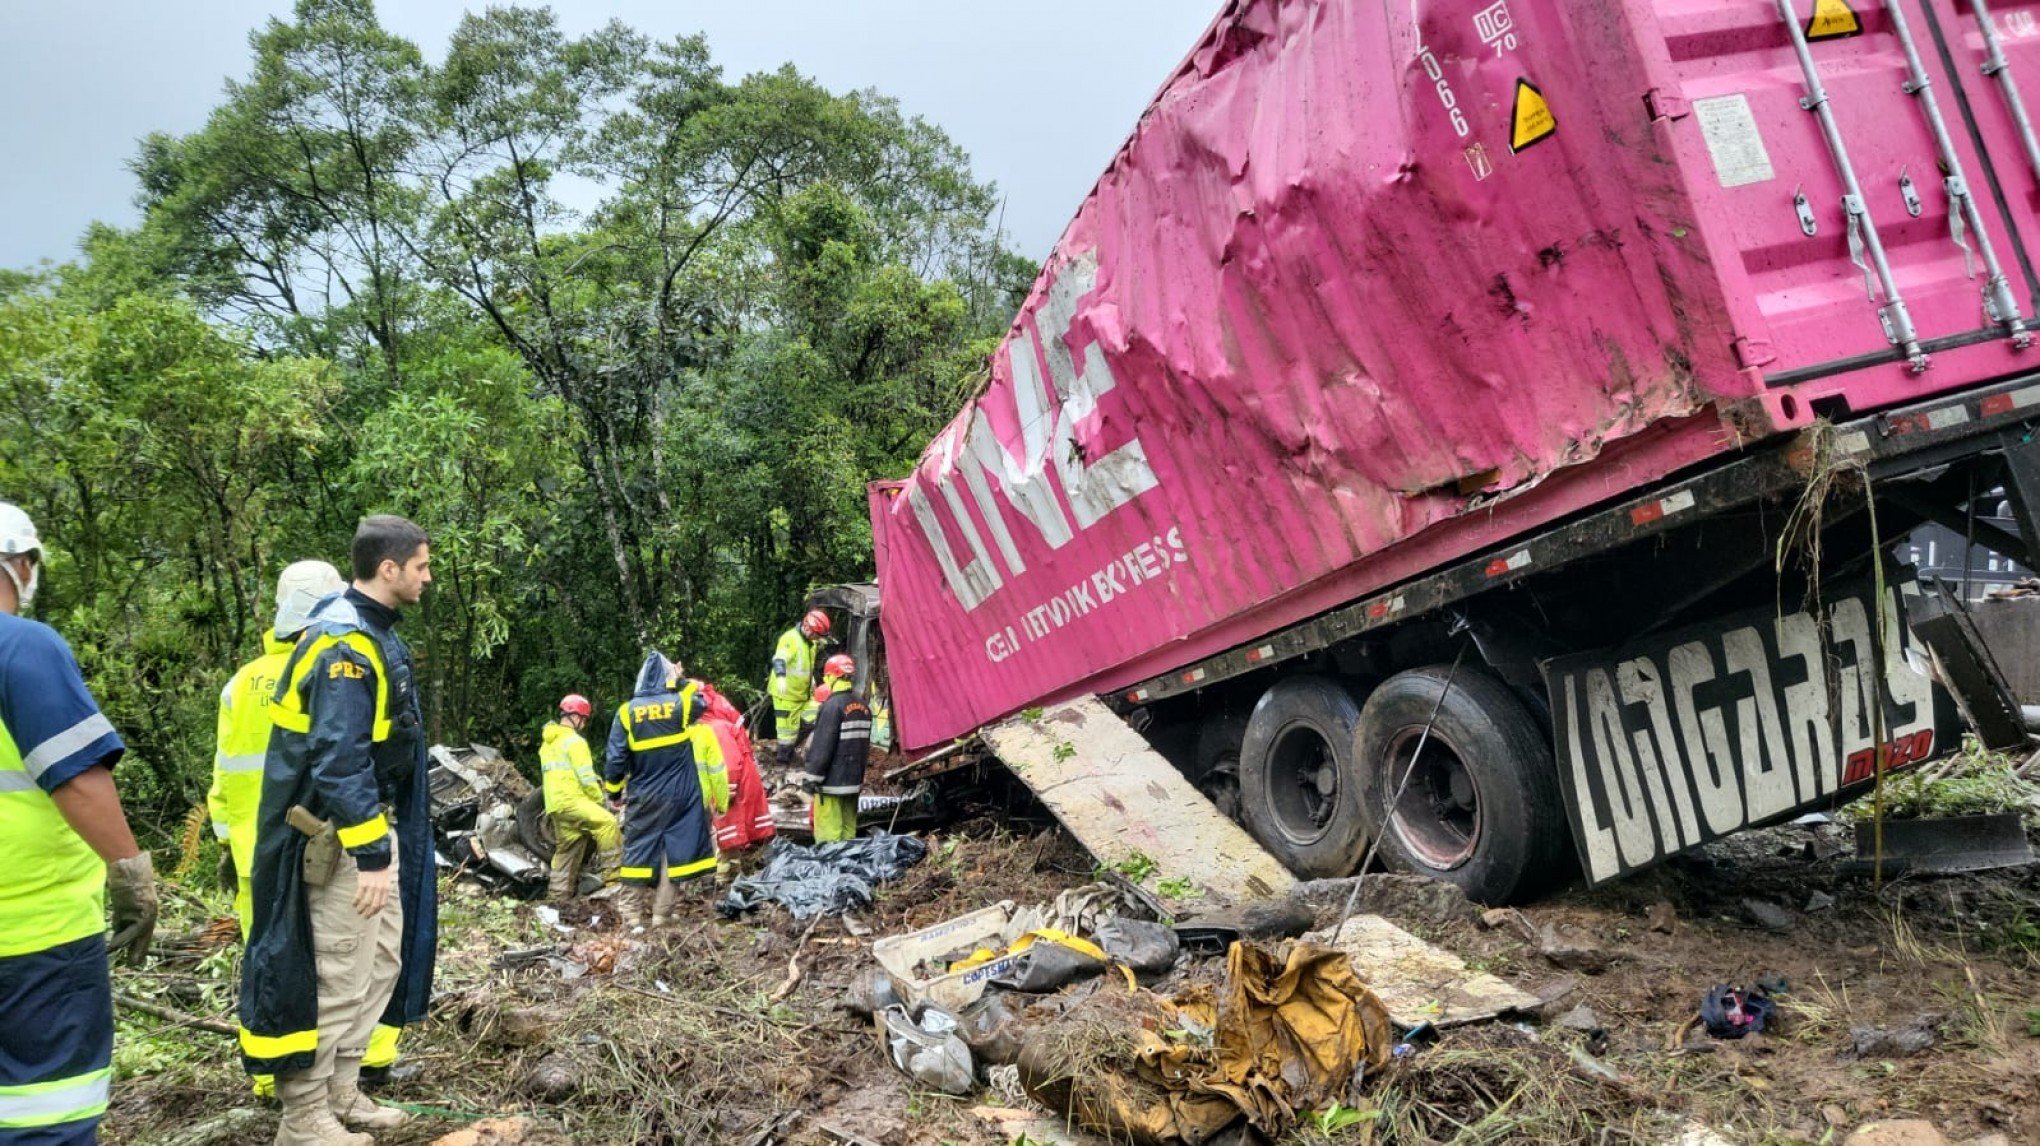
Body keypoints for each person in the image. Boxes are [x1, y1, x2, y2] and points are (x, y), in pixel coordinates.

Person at [239, 515, 439, 1146]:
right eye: (422, 566)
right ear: (389, 569)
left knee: (377, 964)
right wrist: (374, 854)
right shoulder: (343, 648)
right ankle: (305, 1118)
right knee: (335, 969)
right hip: (340, 843)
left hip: (374, 832)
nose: (428, 578)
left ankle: (344, 1092)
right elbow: (338, 758)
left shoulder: (373, 634)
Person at [0, 501, 157, 1144]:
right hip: (33, 935)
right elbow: (78, 778)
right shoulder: (22, 648)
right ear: (21, 565)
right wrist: (132, 874)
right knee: (47, 1112)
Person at [211, 561, 346, 936]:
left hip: (251, 849)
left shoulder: (240, 683)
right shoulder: (333, 668)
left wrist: (225, 839)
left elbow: (223, 772)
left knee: (263, 960)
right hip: (317, 850)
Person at [604, 653, 728, 927]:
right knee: (676, 851)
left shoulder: (626, 712)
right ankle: (662, 915)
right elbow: (701, 702)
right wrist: (680, 680)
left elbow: (615, 758)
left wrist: (613, 792)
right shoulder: (678, 704)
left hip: (645, 794)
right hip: (682, 795)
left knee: (637, 849)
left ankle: (631, 915)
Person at [540, 694, 620, 901]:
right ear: (575, 717)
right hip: (573, 800)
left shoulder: (548, 743)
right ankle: (615, 878)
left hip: (555, 805)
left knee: (568, 847)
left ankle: (557, 898)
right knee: (608, 824)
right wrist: (599, 800)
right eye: (583, 719)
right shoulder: (575, 742)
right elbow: (586, 778)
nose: (583, 724)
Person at [695, 678, 774, 881]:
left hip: (730, 785)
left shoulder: (714, 728)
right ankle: (732, 874)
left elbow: (728, 763)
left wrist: (725, 788)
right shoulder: (718, 722)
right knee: (731, 835)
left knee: (727, 834)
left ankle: (724, 879)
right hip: (734, 782)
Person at [799, 654, 872, 844]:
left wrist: (811, 780)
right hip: (853, 784)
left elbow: (822, 747)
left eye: (826, 676)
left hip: (831, 786)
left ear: (833, 676)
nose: (825, 679)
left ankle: (831, 872)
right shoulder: (864, 707)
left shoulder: (831, 707)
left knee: (829, 839)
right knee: (849, 836)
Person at [766, 609, 830, 766]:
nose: (816, 638)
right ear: (807, 628)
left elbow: (805, 666)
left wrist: (812, 680)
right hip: (786, 696)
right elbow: (779, 659)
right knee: (786, 735)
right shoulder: (790, 639)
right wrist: (781, 677)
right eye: (816, 634)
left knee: (819, 714)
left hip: (803, 696)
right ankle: (782, 765)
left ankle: (791, 752)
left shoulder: (811, 644)